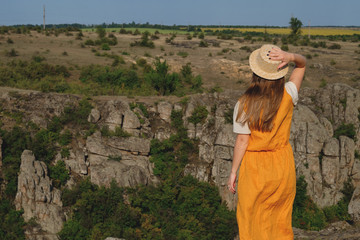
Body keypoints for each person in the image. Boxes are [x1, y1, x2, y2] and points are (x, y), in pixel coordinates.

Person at [226, 44, 306, 239]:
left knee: (250, 217)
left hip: (255, 168)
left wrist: (233, 172)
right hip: (282, 164)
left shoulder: (244, 103)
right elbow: (302, 66)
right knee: (279, 216)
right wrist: (291, 56)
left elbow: (242, 142)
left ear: (255, 72)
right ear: (280, 70)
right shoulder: (288, 93)